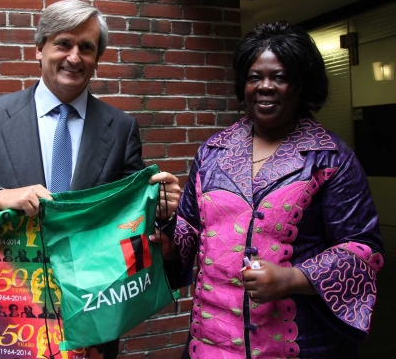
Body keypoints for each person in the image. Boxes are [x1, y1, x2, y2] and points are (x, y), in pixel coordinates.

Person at [0, 0, 180, 359]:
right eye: (63, 43)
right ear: (39, 48)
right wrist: (3, 197)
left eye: (87, 47)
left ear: (97, 58)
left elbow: (133, 218)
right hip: (17, 306)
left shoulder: (122, 128)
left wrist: (161, 208)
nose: (74, 57)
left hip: (94, 309)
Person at [160, 21, 384, 358]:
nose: (265, 87)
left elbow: (363, 250)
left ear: (300, 85)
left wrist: (292, 279)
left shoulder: (330, 157)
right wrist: (165, 231)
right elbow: (191, 229)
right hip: (212, 341)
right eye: (255, 77)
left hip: (300, 342)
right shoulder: (213, 152)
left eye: (279, 77)